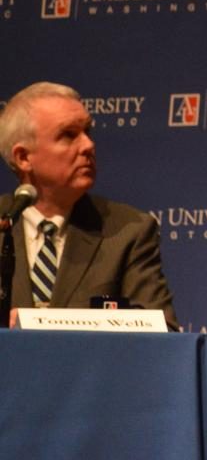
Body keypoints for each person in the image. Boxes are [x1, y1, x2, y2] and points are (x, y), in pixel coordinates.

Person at [0, 82, 178, 328]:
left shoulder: (128, 231)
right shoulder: (4, 222)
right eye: (68, 135)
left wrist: (44, 324)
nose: (88, 145)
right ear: (23, 158)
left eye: (88, 132)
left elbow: (163, 331)